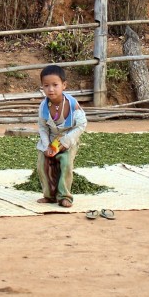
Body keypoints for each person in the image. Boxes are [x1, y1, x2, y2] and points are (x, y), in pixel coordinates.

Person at [36, 64, 87, 208]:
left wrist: (65, 142)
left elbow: (81, 124)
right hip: (51, 138)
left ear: (64, 85)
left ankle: (65, 196)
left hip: (68, 138)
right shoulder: (43, 106)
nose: (50, 89)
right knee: (43, 165)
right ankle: (49, 195)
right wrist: (46, 145)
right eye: (46, 85)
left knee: (65, 163)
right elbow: (42, 126)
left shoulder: (72, 104)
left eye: (55, 85)